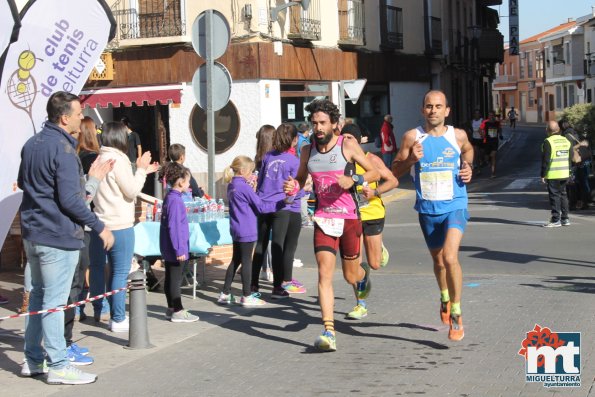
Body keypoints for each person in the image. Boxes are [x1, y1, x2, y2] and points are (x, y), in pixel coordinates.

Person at [18, 91, 114, 384]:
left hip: (33, 234)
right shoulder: (62, 149)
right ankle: (58, 364)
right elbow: (72, 201)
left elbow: (24, 183)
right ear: (63, 118)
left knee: (39, 299)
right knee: (54, 303)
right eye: (76, 114)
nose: (79, 118)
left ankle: (33, 359)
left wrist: (92, 181)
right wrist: (99, 227)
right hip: (57, 236)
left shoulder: (31, 144)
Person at [283, 99, 379, 351]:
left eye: (323, 123)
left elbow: (374, 172)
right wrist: (293, 186)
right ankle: (329, 331)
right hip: (324, 219)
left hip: (349, 219)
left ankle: (362, 276)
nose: (318, 128)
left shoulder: (346, 145)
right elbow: (301, 178)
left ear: (334, 124)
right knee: (324, 275)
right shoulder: (307, 151)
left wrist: (354, 179)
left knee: (350, 275)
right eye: (314, 123)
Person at [392, 90, 473, 341]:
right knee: (438, 263)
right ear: (422, 110)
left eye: (439, 106)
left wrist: (469, 167)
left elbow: (469, 152)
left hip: (455, 205)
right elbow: (395, 170)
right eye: (429, 106)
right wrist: (410, 160)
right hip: (428, 209)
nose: (434, 110)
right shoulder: (412, 137)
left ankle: (457, 313)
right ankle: (445, 296)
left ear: (447, 111)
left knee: (450, 257)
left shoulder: (457, 136)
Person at [89, 121, 159, 333]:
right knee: (120, 272)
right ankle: (118, 318)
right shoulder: (118, 159)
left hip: (99, 222)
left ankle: (100, 310)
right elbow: (131, 190)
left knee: (100, 269)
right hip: (119, 224)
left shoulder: (99, 157)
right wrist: (141, 169)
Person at [341, 124, 399, 320]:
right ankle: (360, 304)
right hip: (351, 216)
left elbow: (393, 181)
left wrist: (375, 192)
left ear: (358, 141)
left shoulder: (371, 160)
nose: (347, 141)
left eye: (351, 137)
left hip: (373, 213)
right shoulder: (340, 162)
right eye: (344, 137)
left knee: (374, 263)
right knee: (353, 264)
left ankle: (378, 251)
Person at [251, 124, 306, 298]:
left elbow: (260, 182)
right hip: (281, 207)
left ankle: (253, 285)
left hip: (263, 203)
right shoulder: (294, 161)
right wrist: (306, 190)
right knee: (277, 246)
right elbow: (297, 189)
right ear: (294, 140)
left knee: (260, 244)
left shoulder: (267, 156)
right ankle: (277, 287)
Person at [218, 156, 278, 306]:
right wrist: (281, 203)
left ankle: (225, 293)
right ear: (243, 170)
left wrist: (252, 189)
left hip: (236, 228)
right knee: (246, 262)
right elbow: (261, 206)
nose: (252, 174)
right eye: (251, 171)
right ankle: (246, 295)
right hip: (246, 228)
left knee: (236, 260)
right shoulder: (244, 187)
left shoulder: (232, 185)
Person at [159, 162, 200, 322]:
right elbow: (175, 227)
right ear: (181, 182)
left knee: (170, 277)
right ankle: (178, 310)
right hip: (176, 248)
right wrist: (180, 249)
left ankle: (171, 307)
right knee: (175, 279)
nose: (189, 184)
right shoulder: (176, 201)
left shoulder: (170, 196)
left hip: (169, 246)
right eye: (188, 181)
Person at [541, 121, 571, 227]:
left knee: (554, 196)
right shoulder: (566, 141)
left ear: (547, 130)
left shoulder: (548, 142)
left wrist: (543, 174)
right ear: (558, 129)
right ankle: (565, 219)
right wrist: (570, 171)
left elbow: (546, 160)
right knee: (563, 195)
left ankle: (555, 219)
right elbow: (570, 157)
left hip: (553, 174)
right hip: (565, 173)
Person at [561, 120, 591, 210]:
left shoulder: (566, 136)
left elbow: (568, 150)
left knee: (572, 183)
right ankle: (584, 202)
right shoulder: (579, 134)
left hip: (574, 163)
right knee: (584, 183)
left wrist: (578, 145)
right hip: (584, 162)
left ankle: (573, 204)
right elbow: (587, 145)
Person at [479, 111, 502, 178]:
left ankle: (493, 173)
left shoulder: (497, 123)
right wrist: (482, 135)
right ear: (488, 116)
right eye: (490, 115)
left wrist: (500, 135)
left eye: (492, 115)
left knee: (493, 156)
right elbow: (480, 129)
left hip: (494, 142)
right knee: (486, 157)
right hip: (487, 142)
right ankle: (487, 161)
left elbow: (500, 129)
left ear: (494, 116)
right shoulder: (485, 122)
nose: (491, 117)